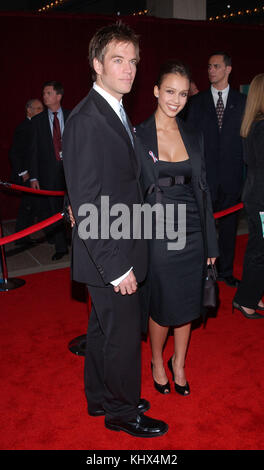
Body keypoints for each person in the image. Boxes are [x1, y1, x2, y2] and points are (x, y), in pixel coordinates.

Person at [62, 22, 168, 438]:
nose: (128, 70)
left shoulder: (114, 110)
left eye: (133, 62)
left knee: (102, 329)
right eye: (118, 60)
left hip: (114, 245)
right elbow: (86, 199)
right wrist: (116, 266)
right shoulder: (88, 119)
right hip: (111, 253)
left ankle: (100, 398)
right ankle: (122, 413)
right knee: (123, 338)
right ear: (97, 64)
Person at [136, 61, 218, 396]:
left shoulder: (193, 136)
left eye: (183, 93)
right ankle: (157, 359)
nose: (176, 99)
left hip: (193, 232)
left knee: (188, 302)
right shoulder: (137, 136)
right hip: (157, 234)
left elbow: (204, 190)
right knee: (163, 303)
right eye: (170, 91)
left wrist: (212, 245)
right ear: (156, 91)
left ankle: (179, 363)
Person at [186, 52, 246, 288]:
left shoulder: (242, 102)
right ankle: (203, 271)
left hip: (232, 178)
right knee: (203, 228)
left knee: (230, 229)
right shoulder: (197, 102)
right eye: (209, 66)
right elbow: (190, 142)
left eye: (216, 66)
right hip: (204, 179)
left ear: (228, 69)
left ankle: (226, 271)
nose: (211, 70)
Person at [232, 74, 264, 319]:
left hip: (255, 192)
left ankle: (249, 297)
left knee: (257, 247)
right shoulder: (262, 126)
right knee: (259, 249)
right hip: (261, 196)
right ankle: (246, 301)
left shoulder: (252, 123)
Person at [30, 81, 70, 260]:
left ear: (58, 96)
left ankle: (77, 242)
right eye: (44, 93)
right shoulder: (37, 121)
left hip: (71, 170)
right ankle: (61, 247)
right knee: (54, 210)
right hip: (49, 172)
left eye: (48, 93)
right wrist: (34, 176)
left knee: (75, 207)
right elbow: (33, 150)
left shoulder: (72, 116)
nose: (44, 96)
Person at [9, 99, 43, 245]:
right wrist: (24, 173)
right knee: (27, 206)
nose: (42, 111)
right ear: (29, 110)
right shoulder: (24, 127)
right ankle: (21, 237)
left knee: (36, 206)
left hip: (38, 173)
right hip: (28, 175)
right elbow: (15, 153)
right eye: (38, 108)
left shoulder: (37, 126)